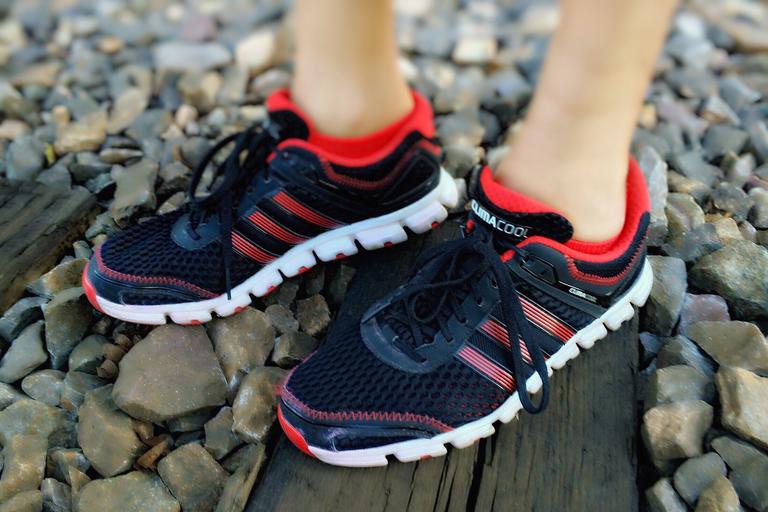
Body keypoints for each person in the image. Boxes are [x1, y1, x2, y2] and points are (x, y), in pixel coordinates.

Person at [83, 0, 678, 466]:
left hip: (578, 241)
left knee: (568, 161)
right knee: (338, 90)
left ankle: (578, 213)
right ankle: (350, 126)